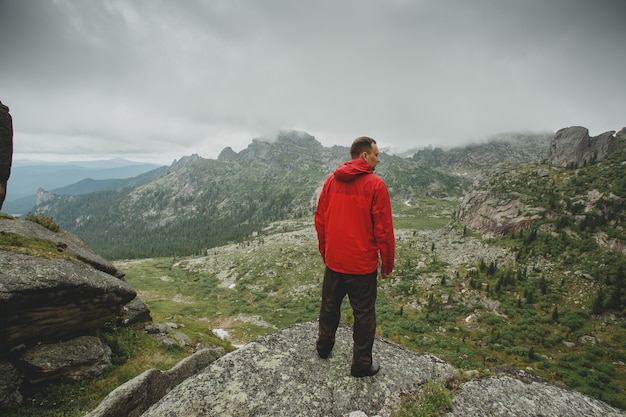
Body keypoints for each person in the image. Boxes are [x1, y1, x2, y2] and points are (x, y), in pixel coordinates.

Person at [314, 136, 395, 377]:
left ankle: (323, 348)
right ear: (364, 156)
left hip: (335, 262)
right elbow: (384, 231)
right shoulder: (375, 185)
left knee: (329, 307)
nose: (378, 158)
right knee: (364, 315)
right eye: (376, 154)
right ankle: (360, 365)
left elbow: (320, 220)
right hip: (361, 266)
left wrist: (325, 252)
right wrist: (387, 264)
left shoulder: (331, 181)